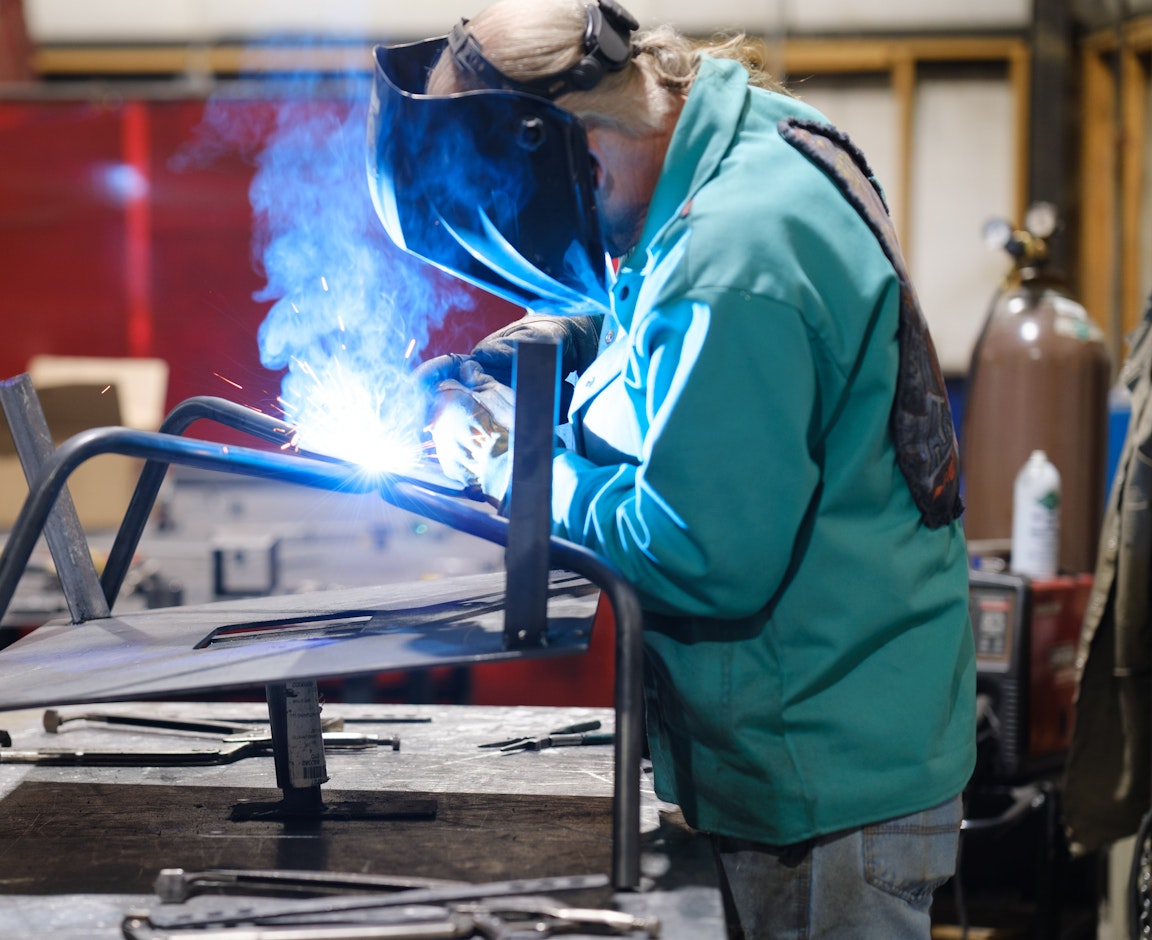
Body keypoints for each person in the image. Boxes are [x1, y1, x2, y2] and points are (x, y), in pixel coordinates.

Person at [367, 2, 977, 936]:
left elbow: (699, 549)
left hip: (825, 788)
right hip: (815, 741)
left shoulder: (737, 250)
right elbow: (653, 324)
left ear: (575, 141)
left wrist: (501, 457)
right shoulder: (730, 147)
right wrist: (534, 354)